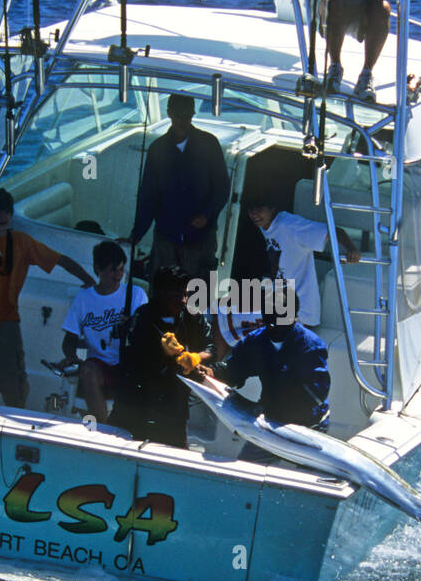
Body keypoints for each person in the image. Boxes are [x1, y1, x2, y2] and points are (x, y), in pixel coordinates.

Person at [0, 187, 95, 408]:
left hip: (7, 322)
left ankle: (15, 422)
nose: (3, 217)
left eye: (6, 212)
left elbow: (61, 260)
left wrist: (89, 281)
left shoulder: (22, 242)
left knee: (14, 383)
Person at [209, 287, 331, 460]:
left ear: (294, 318)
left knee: (308, 481)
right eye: (269, 321)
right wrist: (210, 371)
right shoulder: (255, 341)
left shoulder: (311, 347)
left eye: (280, 321)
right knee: (247, 471)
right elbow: (233, 371)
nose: (273, 327)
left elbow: (315, 396)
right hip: (270, 422)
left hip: (309, 428)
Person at [125, 94, 230, 283]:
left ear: (193, 114)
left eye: (187, 116)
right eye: (178, 115)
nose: (183, 121)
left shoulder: (210, 143)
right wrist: (136, 235)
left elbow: (222, 188)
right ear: (169, 114)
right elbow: (148, 197)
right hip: (166, 236)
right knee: (161, 294)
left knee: (199, 299)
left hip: (201, 238)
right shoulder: (157, 149)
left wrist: (206, 214)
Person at [109, 265, 213, 449]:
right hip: (136, 405)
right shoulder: (141, 318)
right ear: (160, 293)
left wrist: (196, 358)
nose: (182, 300)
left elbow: (212, 347)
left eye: (186, 295)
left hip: (174, 408)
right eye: (176, 295)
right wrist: (164, 355)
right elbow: (132, 363)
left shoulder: (193, 317)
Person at [60, 239, 147, 424]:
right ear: (98, 268)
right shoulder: (83, 298)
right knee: (87, 371)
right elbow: (69, 338)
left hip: (128, 361)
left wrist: (131, 325)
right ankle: (103, 426)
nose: (118, 275)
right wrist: (71, 356)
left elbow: (147, 333)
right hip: (99, 364)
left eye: (121, 269)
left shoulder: (136, 294)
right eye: (112, 270)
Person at [246, 194, 360, 328]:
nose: (254, 214)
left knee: (225, 323)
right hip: (277, 305)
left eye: (259, 209)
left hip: (301, 314)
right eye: (250, 209)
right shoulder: (264, 226)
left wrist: (352, 250)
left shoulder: (290, 225)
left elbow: (336, 231)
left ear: (272, 209)